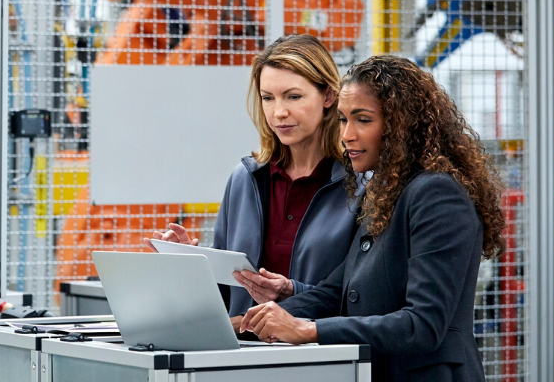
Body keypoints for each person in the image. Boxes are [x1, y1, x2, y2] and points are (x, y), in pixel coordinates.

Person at [239, 55, 505, 382]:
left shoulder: (437, 195)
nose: (347, 135)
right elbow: (336, 293)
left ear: (400, 125)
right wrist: (249, 322)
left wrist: (307, 330)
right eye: (342, 120)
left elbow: (423, 324)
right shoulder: (386, 195)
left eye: (362, 120)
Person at [142, 34, 359, 326]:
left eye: (293, 96)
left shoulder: (360, 186)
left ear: (329, 97)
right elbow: (222, 297)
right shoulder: (246, 179)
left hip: (325, 358)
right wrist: (188, 263)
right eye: (268, 98)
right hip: (244, 359)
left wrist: (293, 294)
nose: (278, 112)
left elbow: (363, 295)